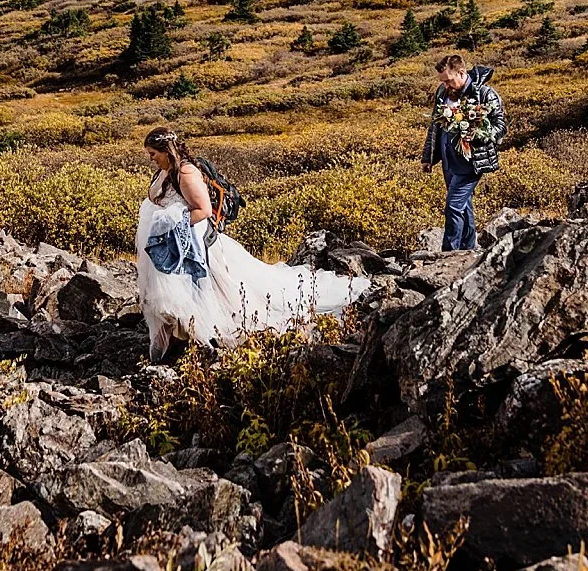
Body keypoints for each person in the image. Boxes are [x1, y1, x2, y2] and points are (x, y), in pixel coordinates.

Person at [135, 126, 369, 360]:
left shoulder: (186, 173)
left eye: (153, 154)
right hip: (170, 242)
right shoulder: (165, 171)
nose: (151, 159)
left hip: (189, 242)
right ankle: (179, 333)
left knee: (208, 287)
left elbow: (203, 210)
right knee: (176, 288)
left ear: (167, 150)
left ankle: (199, 333)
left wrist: (171, 224)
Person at [420, 53, 507, 251]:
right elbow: (434, 127)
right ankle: (467, 249)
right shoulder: (442, 92)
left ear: (461, 72)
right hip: (448, 161)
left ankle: (449, 252)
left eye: (449, 80)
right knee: (464, 205)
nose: (445, 85)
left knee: (453, 205)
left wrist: (479, 135)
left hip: (471, 162)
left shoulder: (484, 93)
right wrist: (428, 157)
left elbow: (501, 126)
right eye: (442, 81)